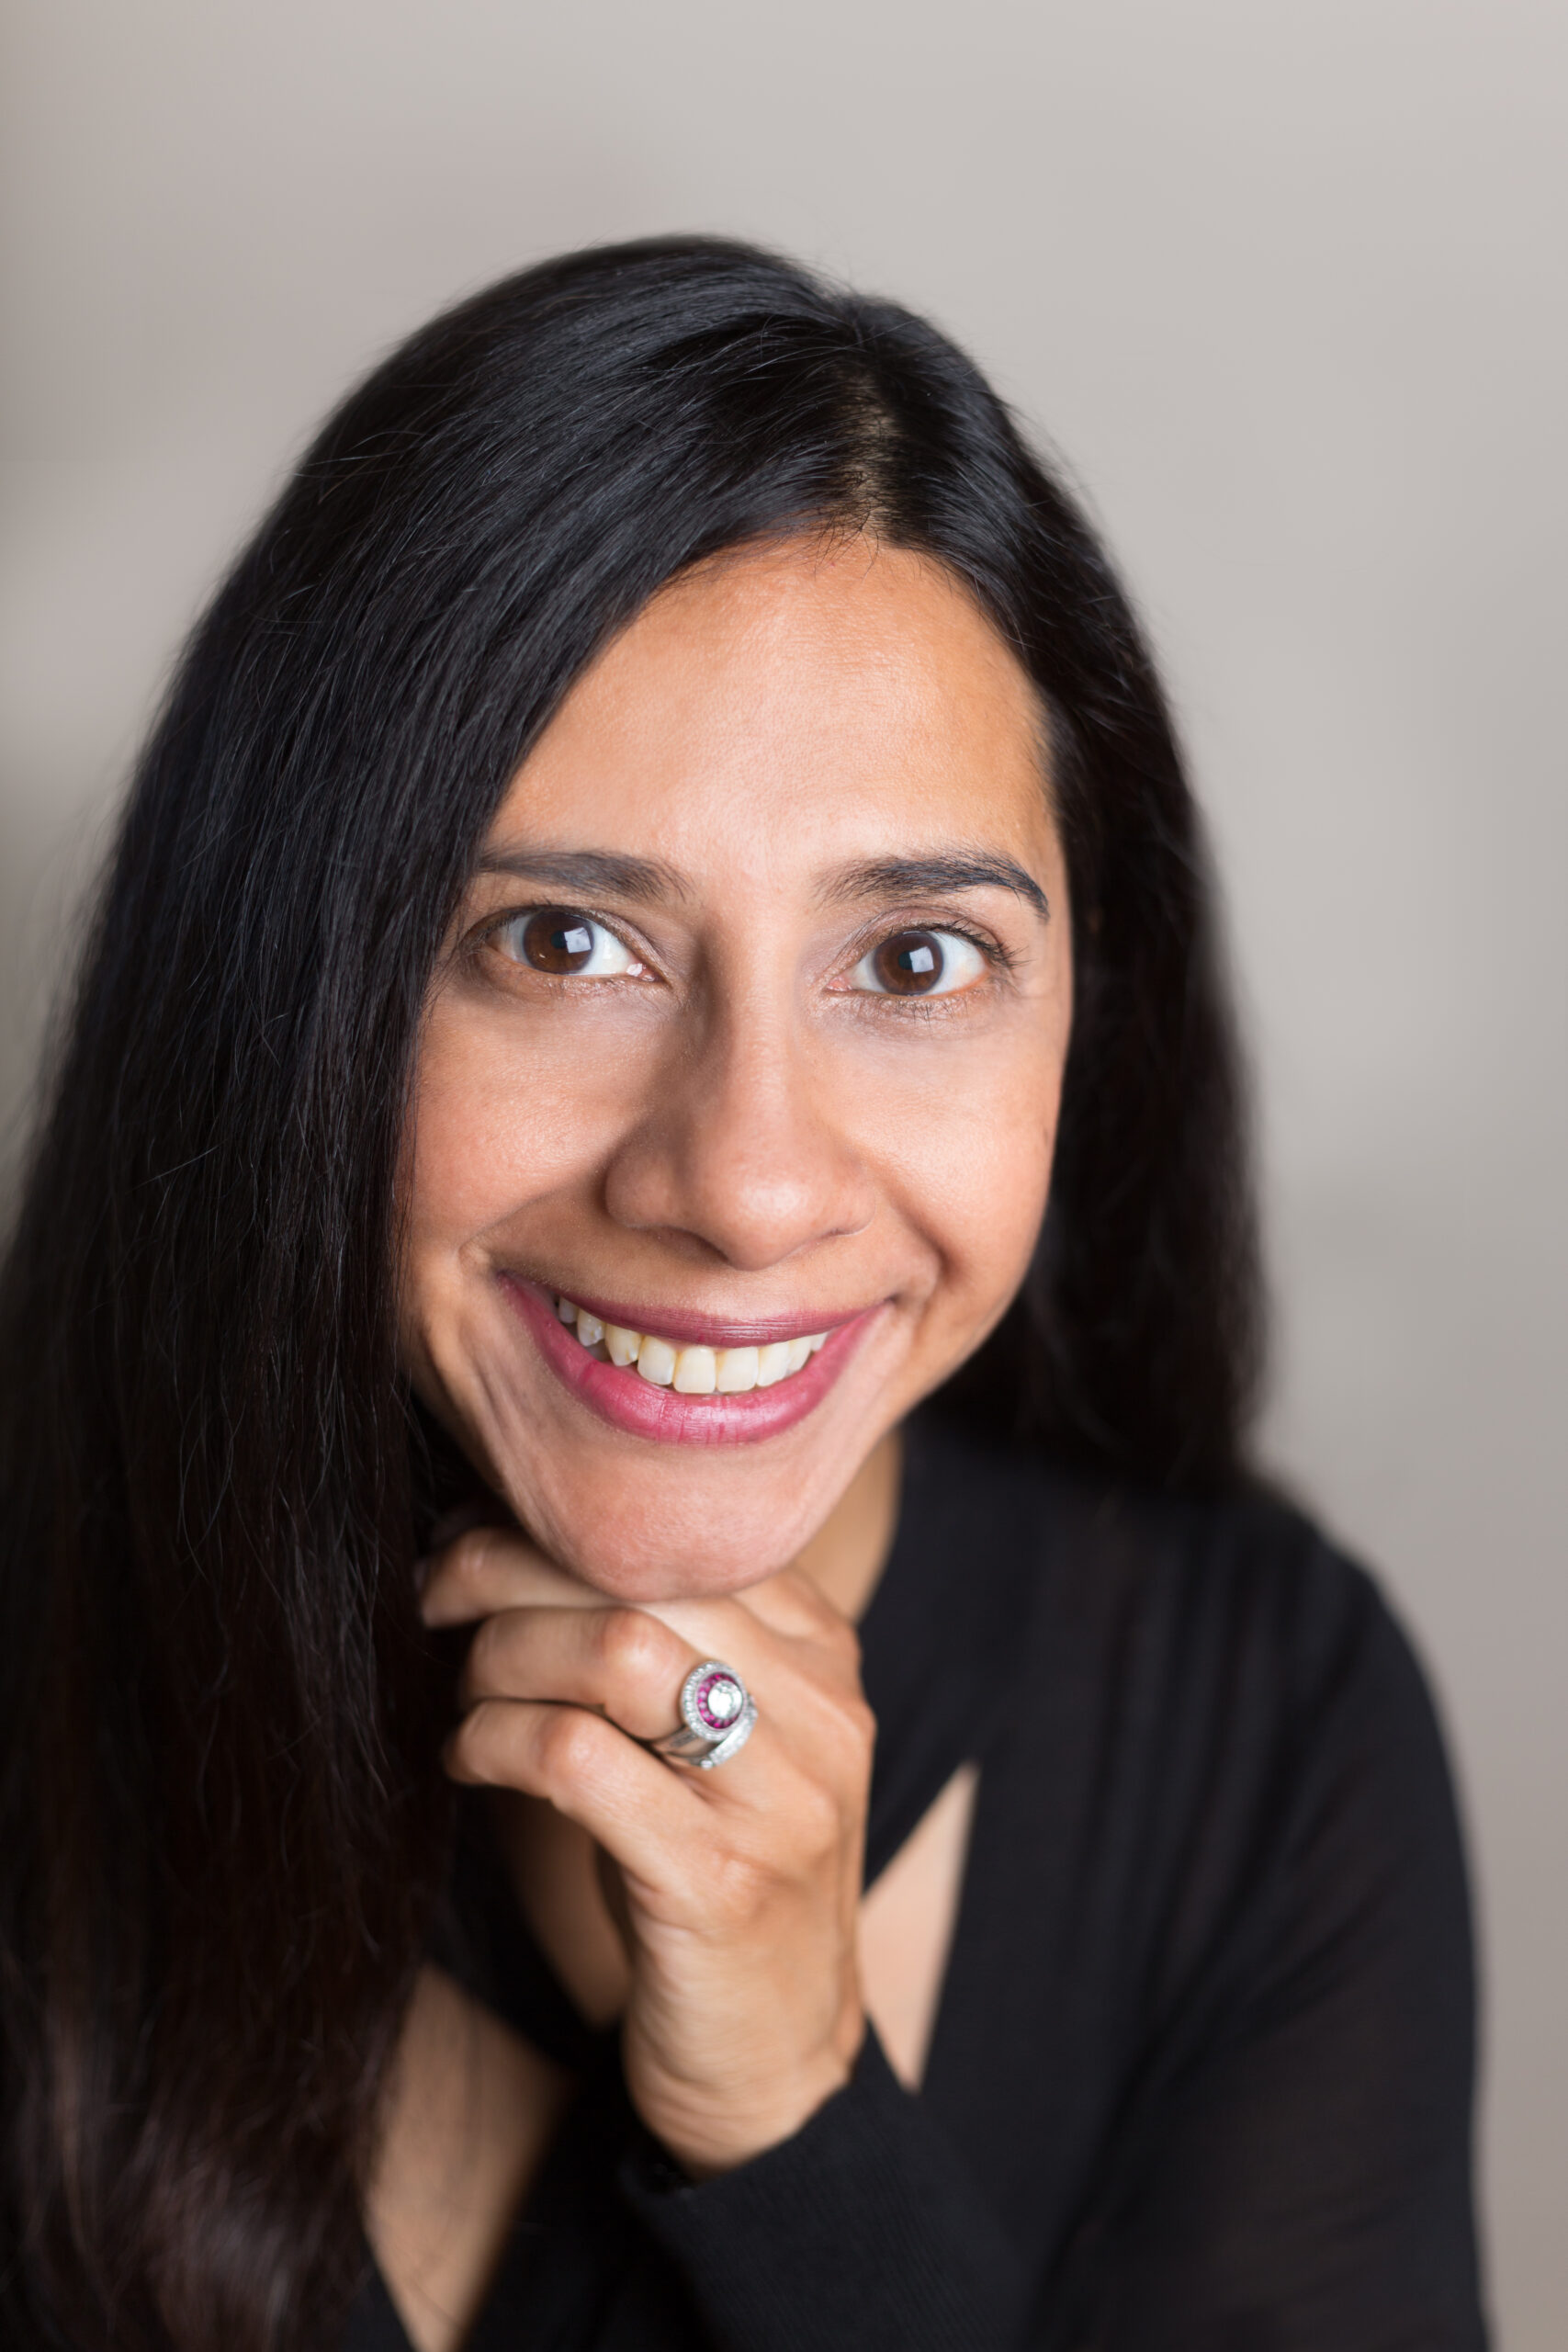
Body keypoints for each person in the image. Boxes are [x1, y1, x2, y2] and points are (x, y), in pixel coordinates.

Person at [0, 238, 1485, 2352]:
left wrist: (795, 2123)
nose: (744, 1180)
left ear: (1088, 1018)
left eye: (909, 962)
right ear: (288, 980)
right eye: (555, 944)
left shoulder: (1260, 1732)